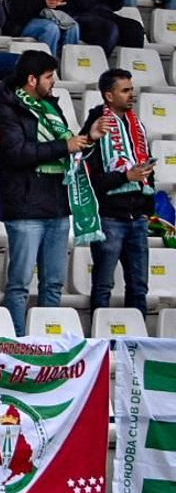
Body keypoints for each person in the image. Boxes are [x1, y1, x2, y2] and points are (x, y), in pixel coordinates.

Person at [0, 49, 105, 332]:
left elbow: (70, 152)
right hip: (25, 205)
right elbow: (16, 153)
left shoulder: (51, 107)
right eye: (49, 76)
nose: (53, 82)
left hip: (56, 204)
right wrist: (64, 146)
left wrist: (87, 139)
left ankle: (47, 341)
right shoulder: (7, 107)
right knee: (19, 284)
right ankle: (15, 342)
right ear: (32, 79)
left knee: (53, 283)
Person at [84, 68, 155, 315]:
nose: (131, 95)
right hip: (110, 217)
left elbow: (146, 169)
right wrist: (126, 176)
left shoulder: (137, 126)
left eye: (131, 89)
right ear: (109, 96)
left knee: (139, 287)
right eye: (125, 90)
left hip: (138, 217)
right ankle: (99, 344)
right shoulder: (95, 127)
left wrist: (147, 208)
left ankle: (139, 343)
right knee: (103, 286)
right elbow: (90, 178)